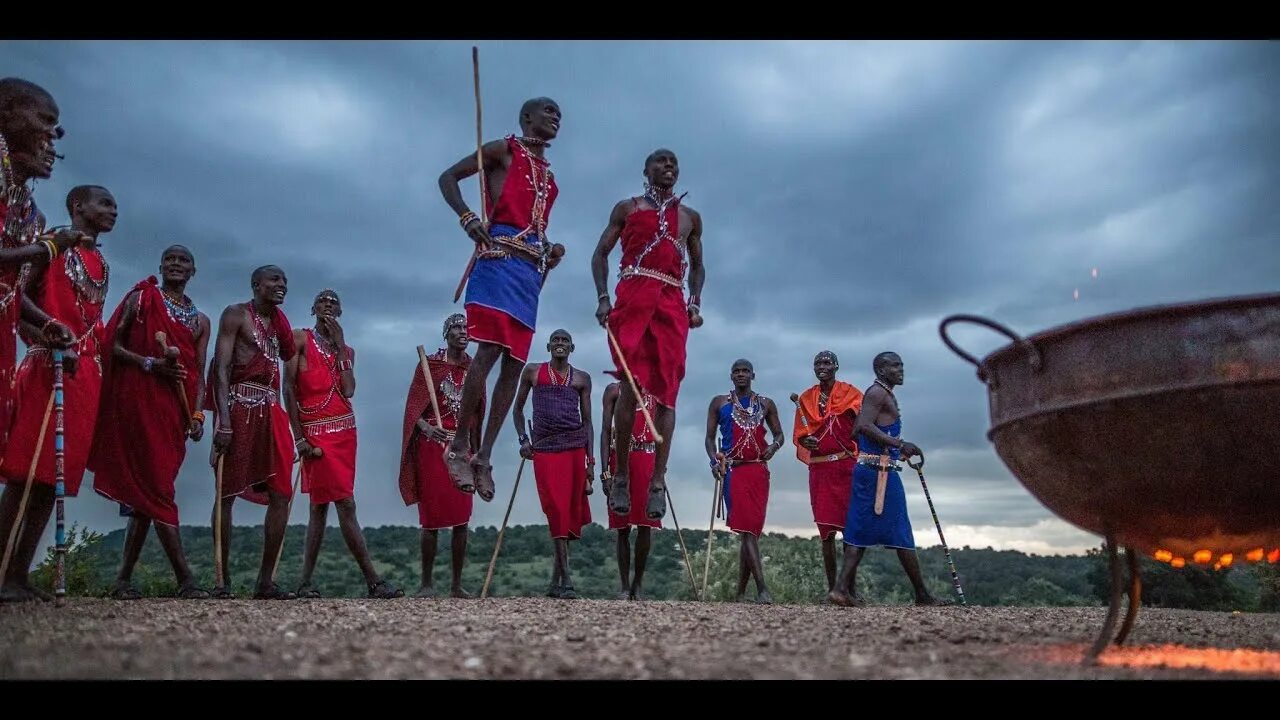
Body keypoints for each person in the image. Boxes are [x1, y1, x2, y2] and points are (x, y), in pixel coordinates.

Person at [437, 97, 564, 503]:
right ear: (527, 117)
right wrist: (467, 218)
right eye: (548, 111)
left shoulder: (550, 175)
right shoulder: (502, 150)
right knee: (489, 351)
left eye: (559, 114)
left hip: (528, 272)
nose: (556, 118)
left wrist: (549, 251)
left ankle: (485, 456)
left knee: (514, 365)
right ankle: (458, 445)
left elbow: (535, 224)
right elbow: (447, 178)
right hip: (497, 260)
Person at [0, 184, 114, 602]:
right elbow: (18, 304)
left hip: (85, 375)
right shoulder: (51, 248)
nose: (112, 211)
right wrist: (49, 342)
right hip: (49, 367)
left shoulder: (100, 261)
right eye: (104, 203)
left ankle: (19, 574)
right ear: (77, 206)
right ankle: (2, 572)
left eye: (114, 205)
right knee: (25, 473)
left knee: (53, 479)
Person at [90, 245, 210, 599]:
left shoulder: (201, 320)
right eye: (170, 259)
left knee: (148, 493)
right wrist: (148, 364)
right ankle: (186, 579)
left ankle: (122, 580)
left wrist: (198, 414)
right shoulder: (141, 299)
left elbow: (198, 372)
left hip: (175, 412)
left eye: (183, 260)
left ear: (193, 271)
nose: (176, 264)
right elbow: (109, 344)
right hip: (138, 403)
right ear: (160, 266)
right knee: (159, 488)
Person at [592, 148, 704, 520]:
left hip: (671, 302)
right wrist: (603, 298)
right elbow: (600, 254)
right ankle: (621, 475)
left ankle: (658, 480)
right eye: (661, 161)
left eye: (674, 162)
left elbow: (699, 266)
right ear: (646, 170)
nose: (669, 166)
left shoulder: (690, 217)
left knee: (668, 392)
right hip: (633, 297)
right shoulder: (628, 208)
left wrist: (695, 301)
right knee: (629, 385)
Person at [285, 289, 401, 599]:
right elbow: (288, 388)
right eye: (322, 301)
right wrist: (298, 437)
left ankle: (306, 582)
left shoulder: (347, 351)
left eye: (334, 303)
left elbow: (348, 390)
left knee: (320, 507)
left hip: (344, 431)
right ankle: (372, 581)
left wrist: (339, 347)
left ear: (340, 312)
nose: (327, 305)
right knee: (343, 503)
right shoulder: (298, 339)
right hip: (313, 430)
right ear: (313, 308)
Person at [205, 265, 298, 600]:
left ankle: (265, 582)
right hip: (239, 405)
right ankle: (222, 580)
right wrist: (224, 421)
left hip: (271, 409)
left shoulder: (277, 323)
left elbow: (288, 353)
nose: (281, 285)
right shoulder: (235, 315)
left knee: (281, 493)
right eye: (274, 280)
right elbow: (221, 368)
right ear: (256, 285)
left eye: (284, 281)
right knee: (226, 492)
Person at [829, 352, 943, 607]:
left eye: (901, 364)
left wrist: (893, 451)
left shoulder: (882, 393)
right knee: (899, 530)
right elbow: (862, 427)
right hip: (876, 474)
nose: (900, 369)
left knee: (861, 531)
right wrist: (898, 443)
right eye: (894, 365)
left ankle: (840, 589)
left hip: (876, 469)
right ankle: (922, 595)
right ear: (881, 370)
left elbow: (865, 430)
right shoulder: (877, 393)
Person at [398, 313, 481, 598]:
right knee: (431, 519)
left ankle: (456, 585)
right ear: (446, 333)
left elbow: (479, 413)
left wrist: (478, 453)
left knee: (462, 518)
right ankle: (426, 583)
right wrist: (427, 427)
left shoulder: (475, 369)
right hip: (432, 448)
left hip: (462, 448)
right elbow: (412, 411)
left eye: (466, 328)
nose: (462, 332)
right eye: (456, 327)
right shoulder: (429, 366)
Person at [512, 329, 593, 599]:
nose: (560, 344)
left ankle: (554, 583)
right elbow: (518, 409)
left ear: (572, 347)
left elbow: (588, 421)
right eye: (556, 340)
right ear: (548, 346)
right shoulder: (533, 372)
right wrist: (523, 439)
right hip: (544, 447)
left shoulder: (582, 378)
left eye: (565, 341)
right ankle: (567, 580)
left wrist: (591, 461)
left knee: (569, 512)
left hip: (574, 447)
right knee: (554, 508)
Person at [704, 359, 784, 603]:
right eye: (736, 372)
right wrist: (713, 461)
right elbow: (709, 439)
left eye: (745, 371)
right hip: (734, 472)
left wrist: (774, 446)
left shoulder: (766, 404)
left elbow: (780, 434)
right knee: (747, 530)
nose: (741, 375)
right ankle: (762, 590)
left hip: (758, 471)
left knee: (751, 532)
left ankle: (739, 593)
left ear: (753, 375)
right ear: (731, 376)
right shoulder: (719, 403)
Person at [792, 350, 863, 592]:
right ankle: (833, 589)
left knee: (850, 530)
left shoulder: (850, 394)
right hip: (820, 469)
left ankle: (848, 589)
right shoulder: (805, 398)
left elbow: (862, 426)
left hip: (846, 467)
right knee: (825, 531)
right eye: (817, 363)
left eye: (826, 362)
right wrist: (806, 442)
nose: (822, 366)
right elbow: (801, 435)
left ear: (836, 366)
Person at [599, 381, 659, 600]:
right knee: (622, 526)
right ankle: (624, 586)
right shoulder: (614, 390)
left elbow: (664, 428)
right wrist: (605, 472)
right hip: (620, 460)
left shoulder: (657, 390)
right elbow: (606, 432)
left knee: (646, 524)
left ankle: (638, 584)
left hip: (647, 458)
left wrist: (660, 472)